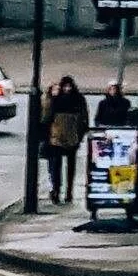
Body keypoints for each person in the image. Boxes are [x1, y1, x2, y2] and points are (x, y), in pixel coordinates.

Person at [42, 76, 89, 204]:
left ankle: (68, 192)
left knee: (66, 166)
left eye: (69, 86)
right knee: (57, 166)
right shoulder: (60, 100)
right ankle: (57, 191)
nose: (67, 89)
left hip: (68, 136)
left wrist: (79, 135)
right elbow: (47, 117)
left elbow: (84, 119)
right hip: (59, 137)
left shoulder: (75, 99)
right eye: (65, 86)